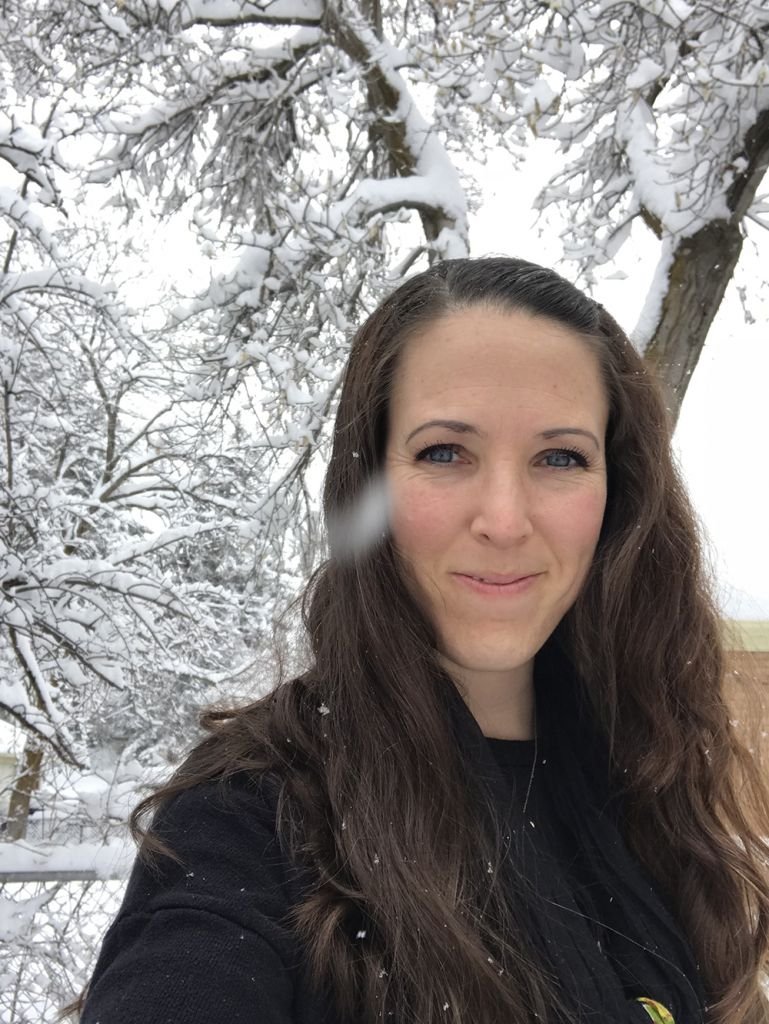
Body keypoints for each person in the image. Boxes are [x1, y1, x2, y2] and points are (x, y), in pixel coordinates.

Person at [75, 258, 769, 1024]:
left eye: (560, 457)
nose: (504, 520)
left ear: (620, 493)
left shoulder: (649, 782)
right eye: (444, 452)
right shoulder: (254, 819)